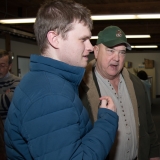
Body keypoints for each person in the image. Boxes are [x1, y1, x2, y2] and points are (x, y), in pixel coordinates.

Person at [4, 0, 118, 159]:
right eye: (83, 39)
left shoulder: (42, 80)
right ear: (55, 38)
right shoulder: (52, 97)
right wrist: (107, 119)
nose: (91, 47)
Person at [79, 25, 160, 160]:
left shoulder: (136, 84)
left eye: (122, 52)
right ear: (97, 51)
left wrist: (154, 155)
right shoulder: (81, 88)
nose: (117, 58)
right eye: (110, 50)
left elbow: (148, 125)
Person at [0, 50, 21, 122]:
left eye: (2, 65)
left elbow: (8, 101)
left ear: (9, 66)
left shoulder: (17, 81)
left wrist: (6, 99)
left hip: (8, 129)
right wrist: (3, 96)